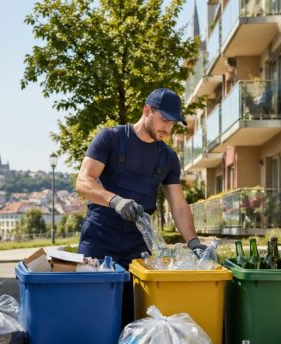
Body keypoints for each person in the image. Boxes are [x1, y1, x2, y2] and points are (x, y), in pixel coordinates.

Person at [75, 88, 206, 325]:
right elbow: (83, 182)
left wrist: (194, 243)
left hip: (138, 246)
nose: (167, 127)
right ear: (147, 110)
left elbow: (178, 204)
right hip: (99, 238)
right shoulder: (111, 138)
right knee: (91, 316)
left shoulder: (168, 158)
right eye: (164, 119)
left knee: (133, 319)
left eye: (173, 123)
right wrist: (115, 200)